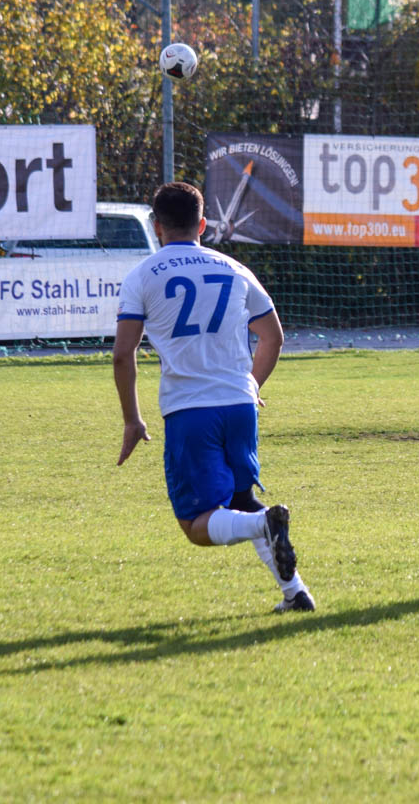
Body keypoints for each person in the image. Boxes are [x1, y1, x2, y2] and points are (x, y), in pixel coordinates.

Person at [111, 181, 313, 613]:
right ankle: (295, 594)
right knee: (240, 501)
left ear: (156, 225)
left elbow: (123, 354)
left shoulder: (142, 275)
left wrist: (132, 419)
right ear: (203, 224)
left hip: (190, 410)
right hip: (239, 405)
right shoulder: (235, 268)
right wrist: (251, 386)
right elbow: (273, 337)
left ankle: (265, 524)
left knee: (194, 524)